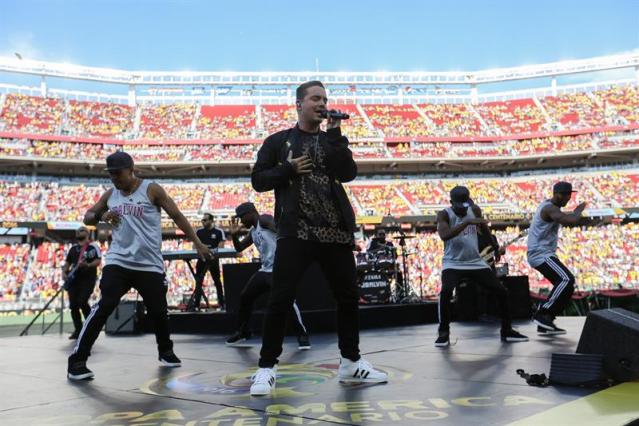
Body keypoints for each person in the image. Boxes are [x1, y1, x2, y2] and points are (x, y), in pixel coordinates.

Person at [248, 80, 387, 396]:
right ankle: (266, 368)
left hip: (335, 232)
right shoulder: (278, 142)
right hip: (296, 232)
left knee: (348, 297)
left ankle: (351, 362)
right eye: (315, 98)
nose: (322, 103)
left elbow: (347, 172)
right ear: (299, 104)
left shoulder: (330, 140)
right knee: (280, 298)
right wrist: (287, 169)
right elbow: (258, 181)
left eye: (325, 98)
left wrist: (337, 134)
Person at [67, 151, 213, 381]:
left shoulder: (151, 189)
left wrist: (197, 243)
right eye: (111, 174)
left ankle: (165, 351)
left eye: (118, 173)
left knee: (159, 311)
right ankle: (77, 361)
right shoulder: (111, 194)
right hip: (119, 261)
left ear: (131, 169)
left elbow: (177, 215)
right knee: (105, 305)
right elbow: (87, 216)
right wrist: (103, 214)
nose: (115, 178)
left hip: (149, 263)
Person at [435, 185, 528, 347]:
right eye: (460, 208)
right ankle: (443, 332)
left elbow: (485, 230)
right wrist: (467, 222)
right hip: (453, 262)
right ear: (451, 202)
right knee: (446, 292)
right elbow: (444, 235)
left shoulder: (474, 210)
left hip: (475, 262)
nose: (464, 210)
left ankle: (507, 330)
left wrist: (494, 247)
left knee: (501, 291)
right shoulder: (444, 214)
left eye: (466, 207)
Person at [225, 202, 310, 350]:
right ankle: (243, 332)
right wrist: (234, 236)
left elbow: (280, 230)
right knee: (246, 296)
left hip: (279, 269)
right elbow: (239, 248)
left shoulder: (264, 220)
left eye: (242, 218)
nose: (241, 221)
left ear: (250, 213)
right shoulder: (253, 231)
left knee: (287, 301)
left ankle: (302, 334)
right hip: (265, 270)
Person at [527, 181, 586, 335]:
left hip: (545, 253)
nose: (568, 198)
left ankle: (546, 321)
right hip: (539, 254)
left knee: (566, 287)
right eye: (566, 195)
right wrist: (578, 210)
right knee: (566, 279)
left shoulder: (552, 206)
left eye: (570, 195)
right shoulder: (549, 208)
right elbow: (570, 220)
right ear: (557, 194)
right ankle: (542, 313)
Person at [62, 226, 101, 339]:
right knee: (73, 305)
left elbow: (98, 260)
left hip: (87, 280)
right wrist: (64, 272)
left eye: (82, 230)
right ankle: (78, 330)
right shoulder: (73, 249)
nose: (79, 231)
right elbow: (67, 263)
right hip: (74, 280)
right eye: (78, 231)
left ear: (87, 233)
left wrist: (88, 265)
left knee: (82, 301)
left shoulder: (92, 247)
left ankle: (90, 327)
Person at [191, 213, 226, 310]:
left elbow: (221, 248)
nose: (203, 222)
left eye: (205, 220)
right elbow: (194, 247)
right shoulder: (198, 232)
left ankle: (222, 304)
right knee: (199, 281)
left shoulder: (219, 232)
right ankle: (196, 304)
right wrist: (203, 250)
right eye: (202, 220)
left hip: (213, 260)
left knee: (217, 281)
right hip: (202, 259)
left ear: (211, 220)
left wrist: (206, 250)